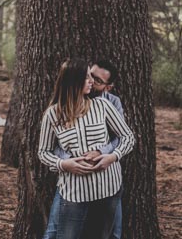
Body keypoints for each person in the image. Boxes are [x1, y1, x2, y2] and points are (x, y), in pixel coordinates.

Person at [39, 59, 135, 239]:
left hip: (108, 187)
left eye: (95, 79)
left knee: (105, 235)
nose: (91, 81)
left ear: (107, 86)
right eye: (87, 77)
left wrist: (111, 156)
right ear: (73, 81)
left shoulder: (104, 105)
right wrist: (63, 164)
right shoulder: (53, 114)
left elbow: (127, 137)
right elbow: (43, 152)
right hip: (74, 190)